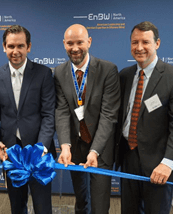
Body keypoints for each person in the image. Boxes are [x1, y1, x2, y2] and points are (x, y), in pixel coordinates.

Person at [115, 21, 173, 214]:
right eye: (135, 42)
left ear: (157, 43)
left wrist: (167, 164)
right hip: (128, 157)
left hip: (159, 163)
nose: (139, 47)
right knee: (129, 210)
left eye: (145, 42)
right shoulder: (125, 75)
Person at [0, 25, 56, 214]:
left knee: (42, 207)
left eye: (20, 46)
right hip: (10, 153)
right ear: (4, 47)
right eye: (10, 46)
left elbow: (49, 115)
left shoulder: (43, 73)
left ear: (29, 47)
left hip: (38, 154)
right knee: (17, 207)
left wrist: (41, 148)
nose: (15, 51)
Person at [54, 24, 120, 214]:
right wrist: (65, 145)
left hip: (101, 147)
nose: (75, 48)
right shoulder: (59, 72)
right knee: (81, 201)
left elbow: (109, 115)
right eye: (70, 43)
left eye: (80, 42)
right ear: (64, 44)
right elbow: (62, 111)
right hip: (75, 146)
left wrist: (95, 150)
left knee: (99, 204)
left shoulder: (107, 70)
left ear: (89, 42)